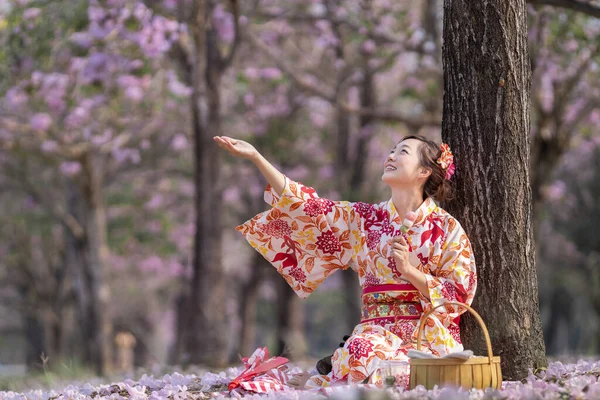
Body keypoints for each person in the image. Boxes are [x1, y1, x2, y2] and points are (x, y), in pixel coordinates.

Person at [213, 135, 477, 389]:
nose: (391, 155)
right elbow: (308, 207)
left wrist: (410, 271)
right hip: (375, 333)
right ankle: (344, 368)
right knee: (361, 352)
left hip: (427, 335)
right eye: (392, 150)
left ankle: (332, 376)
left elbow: (460, 294)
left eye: (403, 152)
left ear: (424, 172)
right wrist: (257, 157)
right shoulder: (364, 219)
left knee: (412, 369)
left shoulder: (446, 227)